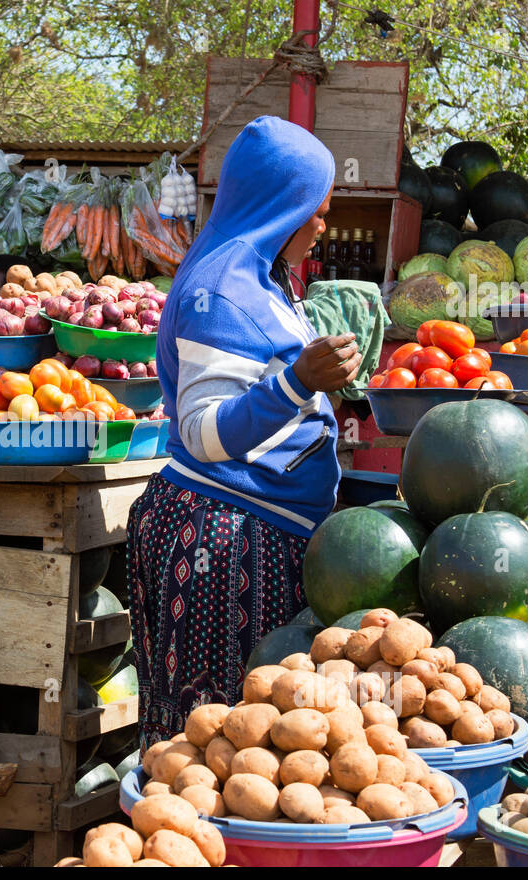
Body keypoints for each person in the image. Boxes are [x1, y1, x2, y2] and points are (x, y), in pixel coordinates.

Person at [126, 115, 361, 747]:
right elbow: (204, 431)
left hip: (252, 534)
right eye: (316, 209)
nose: (322, 224)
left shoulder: (262, 278)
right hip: (220, 547)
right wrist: (299, 382)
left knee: (243, 745)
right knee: (207, 749)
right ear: (280, 205)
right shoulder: (221, 291)